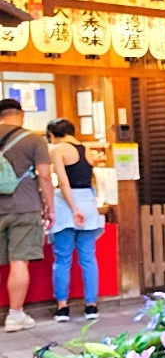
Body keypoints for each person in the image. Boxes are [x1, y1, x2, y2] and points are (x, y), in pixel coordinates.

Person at [0, 98, 53, 332]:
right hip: (25, 206)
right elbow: (44, 176)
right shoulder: (34, 139)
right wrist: (50, 207)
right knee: (19, 261)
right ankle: (15, 316)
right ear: (20, 115)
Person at [46, 118, 104, 321]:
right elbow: (91, 178)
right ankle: (91, 306)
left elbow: (63, 181)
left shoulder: (58, 149)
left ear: (52, 135)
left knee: (62, 259)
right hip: (88, 204)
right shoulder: (86, 148)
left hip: (66, 206)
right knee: (88, 258)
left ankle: (62, 307)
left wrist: (73, 208)